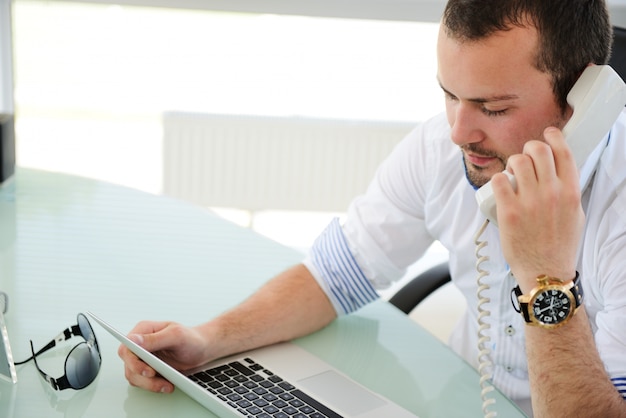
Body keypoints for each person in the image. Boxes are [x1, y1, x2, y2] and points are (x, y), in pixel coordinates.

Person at [119, 1, 626, 416]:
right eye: (450, 95)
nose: (458, 131)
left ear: (584, 97)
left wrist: (545, 275)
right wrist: (206, 340)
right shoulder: (442, 147)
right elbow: (333, 275)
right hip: (460, 396)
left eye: (493, 108)